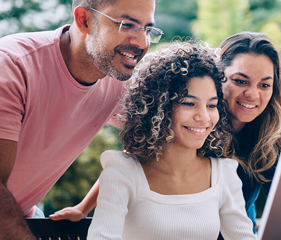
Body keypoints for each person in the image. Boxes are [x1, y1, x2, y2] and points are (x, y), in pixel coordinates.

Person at [0, 0, 162, 238]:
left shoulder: (117, 82)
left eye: (147, 29)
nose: (141, 42)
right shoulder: (13, 65)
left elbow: (153, 146)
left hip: (21, 215)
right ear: (84, 19)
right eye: (127, 25)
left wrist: (84, 207)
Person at [86, 42, 256, 239]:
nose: (204, 117)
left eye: (212, 105)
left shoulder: (224, 174)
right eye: (188, 103)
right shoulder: (123, 171)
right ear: (158, 107)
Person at [217, 31, 281, 237]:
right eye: (240, 81)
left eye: (264, 85)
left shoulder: (271, 137)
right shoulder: (193, 130)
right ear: (217, 77)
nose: (253, 94)